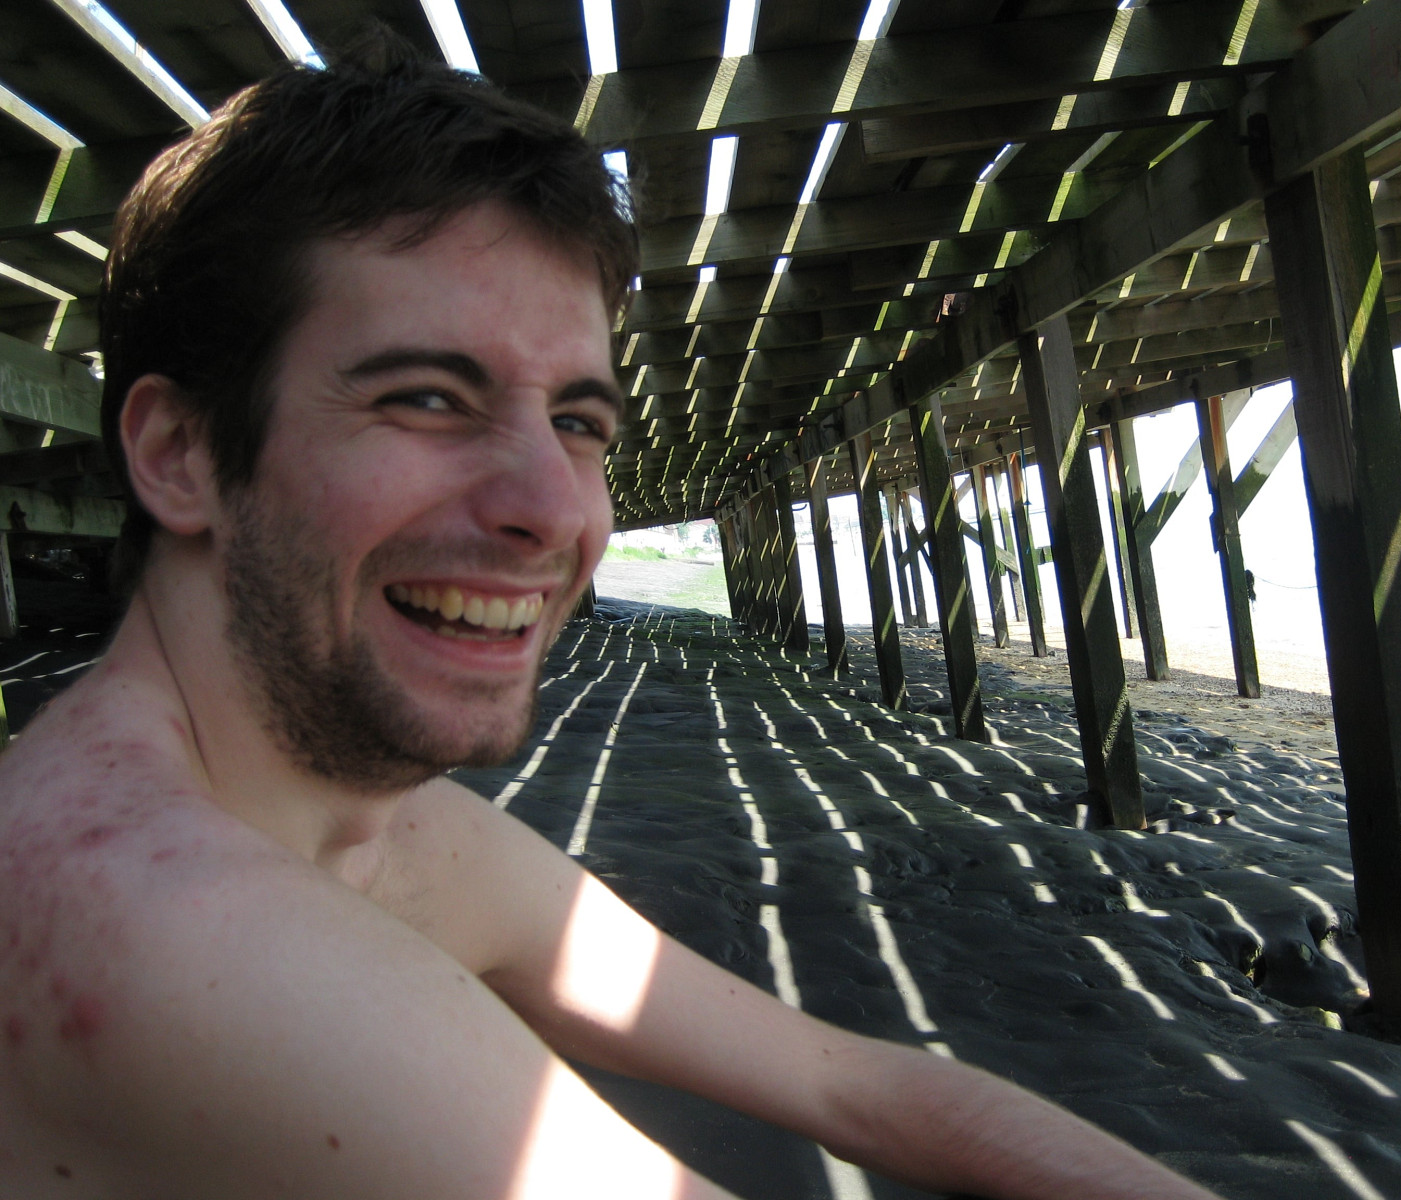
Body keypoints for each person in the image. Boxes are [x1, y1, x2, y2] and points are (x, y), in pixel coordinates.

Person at [0, 38, 1223, 1200]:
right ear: (180, 452)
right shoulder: (170, 931)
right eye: (426, 398)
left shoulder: (352, 819)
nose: (555, 510)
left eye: (578, 423)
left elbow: (848, 1082)